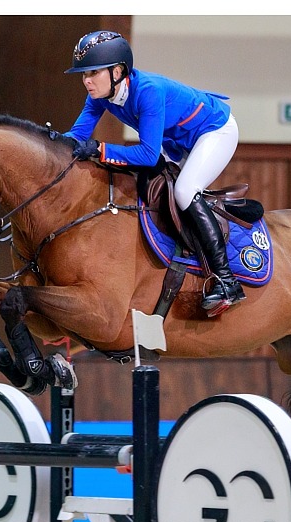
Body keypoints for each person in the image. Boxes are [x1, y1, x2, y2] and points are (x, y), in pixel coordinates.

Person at [63, 30, 244, 315]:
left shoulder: (148, 91)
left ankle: (227, 281)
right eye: (84, 74)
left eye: (93, 72)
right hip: (177, 143)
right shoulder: (100, 96)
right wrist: (46, 141)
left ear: (118, 71)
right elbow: (76, 137)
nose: (86, 80)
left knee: (185, 191)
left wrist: (99, 149)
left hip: (214, 131)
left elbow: (148, 154)